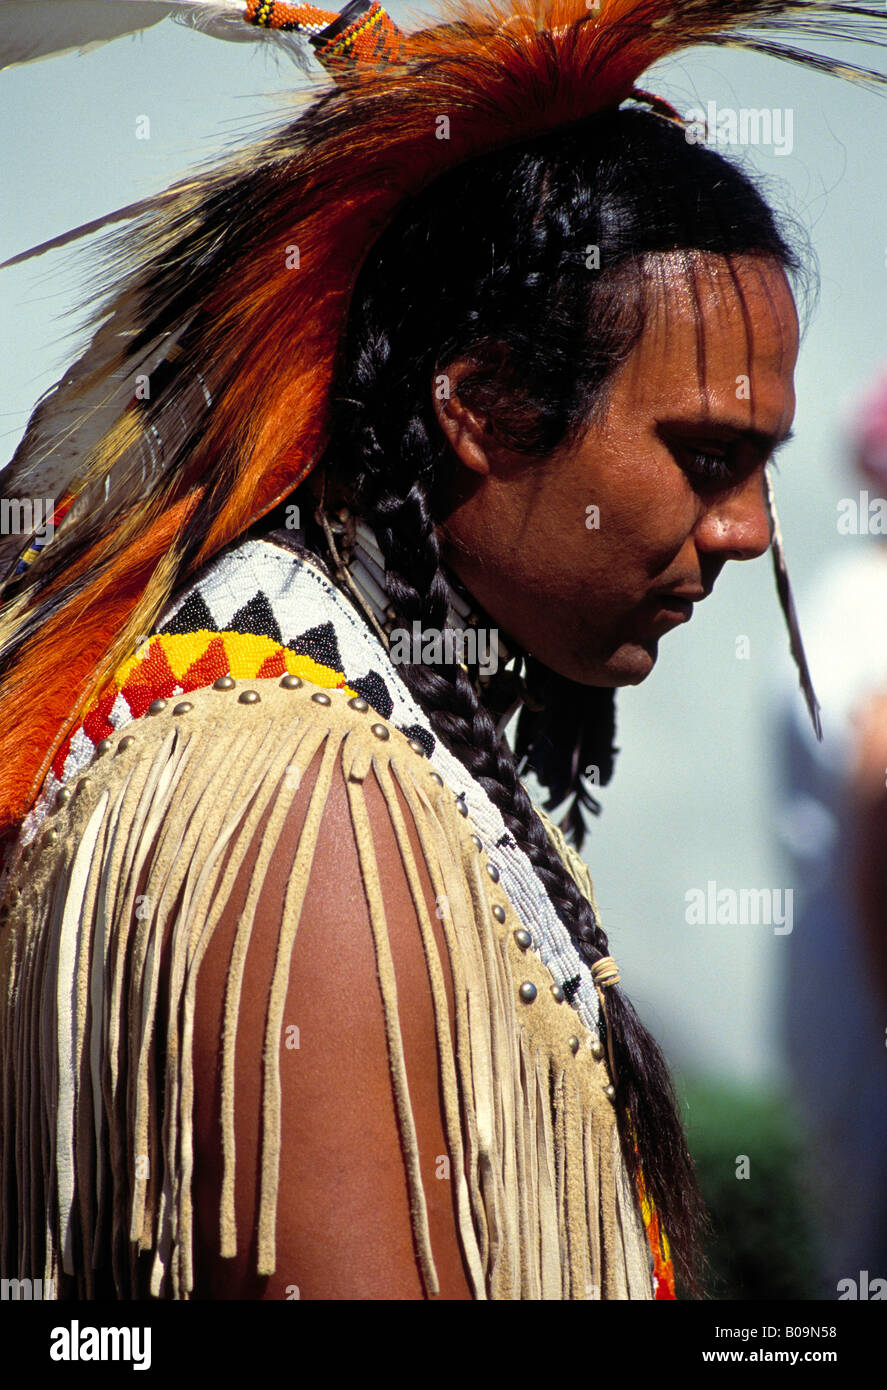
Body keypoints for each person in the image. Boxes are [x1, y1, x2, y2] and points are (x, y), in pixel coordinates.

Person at [0, 0, 885, 1302]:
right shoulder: (306, 812)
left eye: (758, 468)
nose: (750, 530)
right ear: (478, 408)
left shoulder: (315, 757)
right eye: (706, 458)